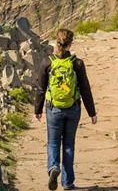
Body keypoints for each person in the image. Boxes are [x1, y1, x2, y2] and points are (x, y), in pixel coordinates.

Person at [35, 28, 97, 190]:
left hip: (53, 109)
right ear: (70, 43)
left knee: (53, 142)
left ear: (56, 42)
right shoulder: (77, 63)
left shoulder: (47, 62)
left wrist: (38, 109)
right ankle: (68, 182)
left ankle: (53, 167)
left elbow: (41, 89)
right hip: (73, 108)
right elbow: (85, 89)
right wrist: (92, 112)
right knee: (69, 144)